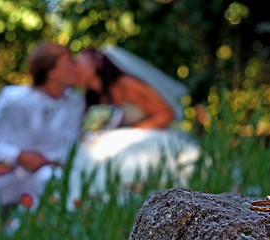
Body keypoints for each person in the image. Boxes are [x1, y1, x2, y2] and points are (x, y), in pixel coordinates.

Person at [0, 42, 85, 232]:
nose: (75, 66)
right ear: (51, 72)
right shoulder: (12, 98)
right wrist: (15, 156)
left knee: (46, 186)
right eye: (68, 62)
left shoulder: (75, 102)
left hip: (42, 178)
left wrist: (43, 163)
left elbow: (67, 149)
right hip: (0, 175)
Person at [66, 46, 200, 208]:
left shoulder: (126, 85)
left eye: (79, 62)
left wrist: (131, 133)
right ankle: (88, 205)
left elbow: (166, 113)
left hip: (152, 138)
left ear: (97, 64)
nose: (75, 68)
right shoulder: (93, 97)